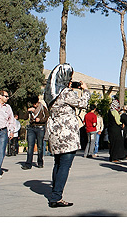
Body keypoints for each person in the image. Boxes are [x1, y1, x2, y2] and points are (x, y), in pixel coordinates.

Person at [45, 63, 90, 208]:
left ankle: (54, 193)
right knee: (65, 166)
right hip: (67, 135)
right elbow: (82, 103)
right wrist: (86, 90)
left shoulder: (51, 94)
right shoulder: (65, 93)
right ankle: (56, 197)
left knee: (57, 164)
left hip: (55, 134)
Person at [22, 98, 49, 170]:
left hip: (40, 128)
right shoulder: (31, 109)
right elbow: (24, 118)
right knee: (30, 146)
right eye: (33, 104)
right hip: (31, 128)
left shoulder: (42, 108)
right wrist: (28, 111)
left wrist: (40, 120)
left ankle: (40, 162)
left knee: (40, 146)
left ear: (38, 102)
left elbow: (47, 117)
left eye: (35, 104)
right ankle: (28, 164)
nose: (34, 105)